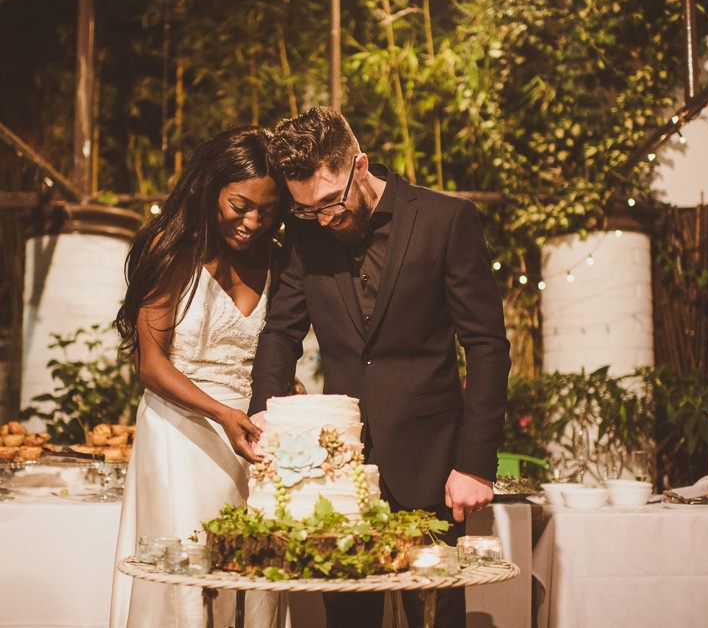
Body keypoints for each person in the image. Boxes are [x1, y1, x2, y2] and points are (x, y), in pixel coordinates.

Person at [249, 107, 511, 628]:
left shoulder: (445, 219)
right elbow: (281, 332)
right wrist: (264, 417)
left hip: (432, 462)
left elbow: (486, 345)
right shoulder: (306, 236)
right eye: (309, 210)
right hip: (337, 470)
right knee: (347, 618)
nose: (324, 218)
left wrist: (476, 462)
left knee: (436, 617)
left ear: (360, 165)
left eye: (331, 202)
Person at [110, 127, 288, 628]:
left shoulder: (278, 258)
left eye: (267, 211)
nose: (253, 221)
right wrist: (219, 412)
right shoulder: (174, 251)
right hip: (182, 433)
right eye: (240, 205)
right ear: (210, 189)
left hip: (251, 439)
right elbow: (150, 363)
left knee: (253, 571)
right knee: (189, 573)